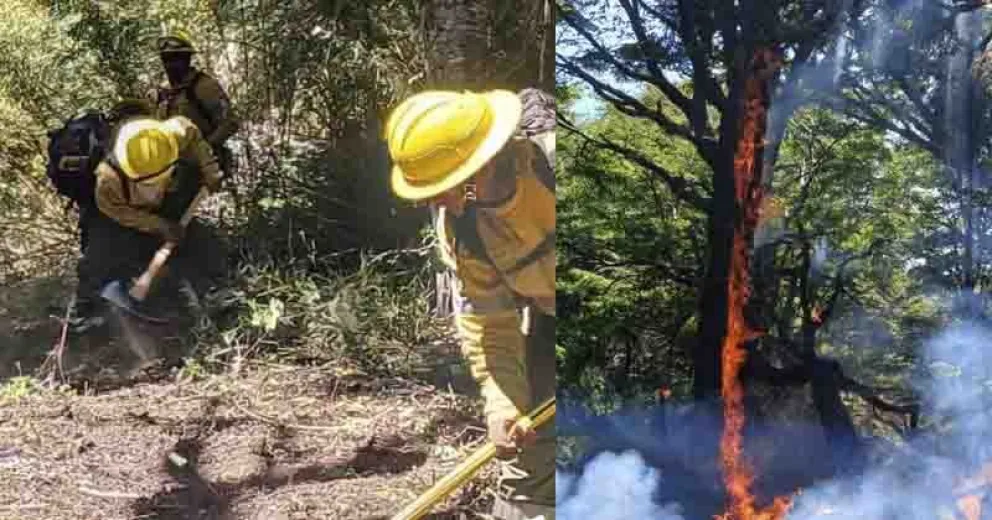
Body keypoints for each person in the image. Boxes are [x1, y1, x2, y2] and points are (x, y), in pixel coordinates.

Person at [385, 89, 556, 520]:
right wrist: (503, 405)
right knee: (527, 467)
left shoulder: (555, 169)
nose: (431, 202)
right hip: (548, 324)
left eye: (437, 188)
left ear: (481, 166)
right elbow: (490, 324)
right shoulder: (461, 228)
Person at [70, 114, 225, 332]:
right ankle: (87, 310)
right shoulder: (107, 182)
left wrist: (210, 168)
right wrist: (159, 225)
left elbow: (190, 129)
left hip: (168, 200)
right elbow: (121, 213)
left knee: (195, 239)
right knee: (100, 252)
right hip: (126, 214)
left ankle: (213, 288)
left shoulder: (174, 133)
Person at [151, 31, 240, 179]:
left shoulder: (204, 86)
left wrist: (203, 149)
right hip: (173, 170)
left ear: (187, 60)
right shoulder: (164, 92)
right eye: (165, 59)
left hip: (205, 170)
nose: (169, 65)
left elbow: (230, 123)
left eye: (175, 59)